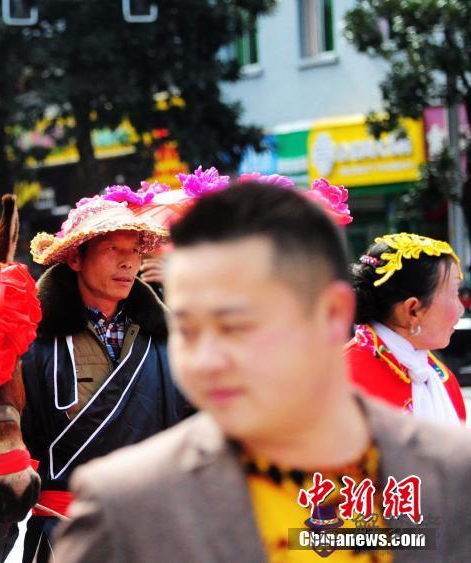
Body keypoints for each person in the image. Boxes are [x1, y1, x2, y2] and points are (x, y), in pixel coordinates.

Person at [55, 184, 471, 562]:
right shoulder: (126, 505)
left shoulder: (450, 474)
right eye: (187, 328)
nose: (205, 361)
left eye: (236, 325)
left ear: (330, 315)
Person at [15, 184, 184, 562]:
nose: (128, 263)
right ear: (76, 258)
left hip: (154, 525)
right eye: (112, 250)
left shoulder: (167, 338)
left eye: (135, 252)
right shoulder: (32, 340)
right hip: (68, 528)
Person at [346, 233, 466, 425]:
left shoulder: (440, 378)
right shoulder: (344, 381)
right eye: (454, 293)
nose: (461, 309)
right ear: (413, 310)